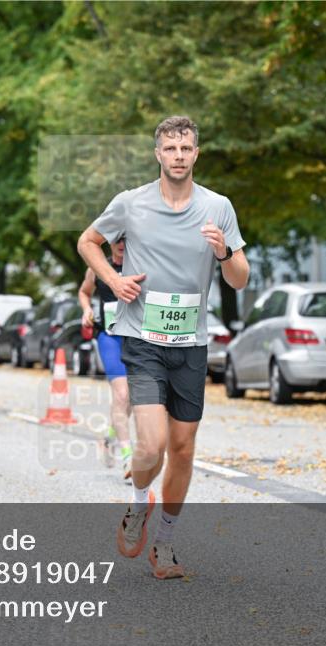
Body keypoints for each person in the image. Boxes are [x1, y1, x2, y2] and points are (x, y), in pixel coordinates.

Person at [77, 116, 249, 579]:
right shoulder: (130, 204)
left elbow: (240, 277)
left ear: (196, 154)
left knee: (183, 449)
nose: (178, 155)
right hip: (142, 340)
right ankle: (138, 505)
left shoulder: (219, 207)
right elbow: (87, 241)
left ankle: (165, 545)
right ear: (158, 154)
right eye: (170, 148)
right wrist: (112, 280)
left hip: (191, 344)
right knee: (150, 447)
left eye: (186, 148)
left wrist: (223, 253)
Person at [78, 237, 132, 478]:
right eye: (117, 239)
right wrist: (87, 309)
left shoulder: (140, 264)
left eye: (126, 238)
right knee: (122, 394)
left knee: (128, 401)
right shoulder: (97, 267)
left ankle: (109, 439)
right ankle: (128, 458)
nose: (121, 243)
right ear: (109, 242)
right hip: (109, 338)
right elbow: (83, 291)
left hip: (135, 339)